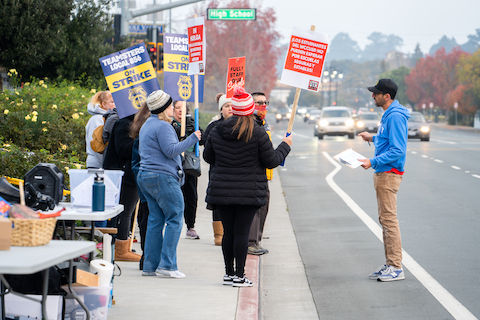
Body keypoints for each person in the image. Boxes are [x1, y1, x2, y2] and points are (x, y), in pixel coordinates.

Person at [203, 87, 292, 287]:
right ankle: (239, 276)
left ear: (233, 109)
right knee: (242, 232)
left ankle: (228, 273)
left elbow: (208, 157)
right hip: (249, 191)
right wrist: (285, 145)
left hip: (222, 190)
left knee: (229, 232)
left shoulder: (217, 130)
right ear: (250, 110)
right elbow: (272, 161)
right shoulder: (257, 132)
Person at [136, 90, 201, 278]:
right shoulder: (163, 127)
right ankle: (167, 265)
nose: (174, 108)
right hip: (163, 177)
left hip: (146, 176)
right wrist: (193, 138)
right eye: (172, 105)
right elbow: (171, 151)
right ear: (164, 108)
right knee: (174, 218)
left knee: (156, 221)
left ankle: (150, 266)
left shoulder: (147, 124)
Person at [357, 79, 410, 282]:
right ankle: (390, 264)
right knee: (385, 220)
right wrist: (373, 138)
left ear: (386, 96)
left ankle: (396, 267)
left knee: (389, 221)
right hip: (384, 172)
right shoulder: (389, 115)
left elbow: (398, 150)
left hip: (389, 173)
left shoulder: (395, 116)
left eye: (376, 93)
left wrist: (372, 161)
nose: (373, 96)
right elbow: (388, 140)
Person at [103, 108, 140, 262]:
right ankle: (120, 248)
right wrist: (141, 142)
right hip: (121, 174)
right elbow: (123, 149)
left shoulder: (133, 123)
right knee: (123, 211)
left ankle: (123, 245)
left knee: (127, 211)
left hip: (128, 173)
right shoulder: (124, 123)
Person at [171, 101, 205, 240]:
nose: (180, 111)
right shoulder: (169, 125)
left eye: (183, 108)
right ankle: (173, 224)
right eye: (177, 108)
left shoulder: (192, 122)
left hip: (189, 164)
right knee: (174, 195)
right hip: (174, 164)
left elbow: (203, 139)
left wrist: (196, 130)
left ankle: (190, 225)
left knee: (191, 195)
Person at [203, 93, 232, 245]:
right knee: (218, 202)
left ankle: (230, 232)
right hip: (217, 170)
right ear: (221, 109)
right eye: (227, 106)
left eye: (232, 106)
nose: (230, 109)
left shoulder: (242, 125)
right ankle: (218, 235)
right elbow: (205, 146)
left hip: (235, 173)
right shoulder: (214, 126)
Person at [247, 92, 272, 256]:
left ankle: (257, 239)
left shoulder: (264, 124)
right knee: (255, 209)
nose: (262, 106)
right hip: (251, 174)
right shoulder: (250, 125)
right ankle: (251, 242)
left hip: (263, 173)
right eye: (258, 103)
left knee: (264, 207)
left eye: (265, 102)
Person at [130, 102, 152, 270]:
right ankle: (148, 256)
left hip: (148, 180)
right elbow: (137, 161)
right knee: (148, 218)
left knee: (148, 218)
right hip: (147, 181)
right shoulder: (146, 128)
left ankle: (149, 255)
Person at [85, 91, 115, 168]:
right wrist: (105, 164)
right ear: (103, 104)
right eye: (112, 102)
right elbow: (97, 144)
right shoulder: (98, 119)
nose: (115, 104)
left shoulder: (106, 117)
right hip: (97, 164)